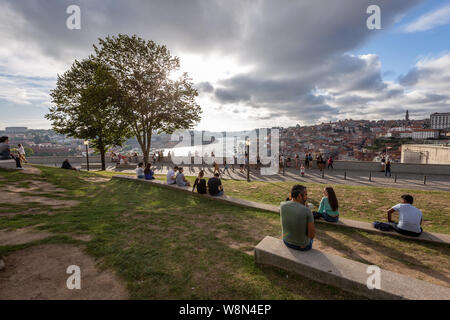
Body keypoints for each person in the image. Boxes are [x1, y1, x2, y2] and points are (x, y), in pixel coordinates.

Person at [280, 185, 315, 251]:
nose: (307, 197)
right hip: (302, 246)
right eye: (306, 194)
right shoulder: (307, 211)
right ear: (299, 196)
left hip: (286, 241)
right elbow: (311, 235)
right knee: (311, 240)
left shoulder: (282, 205)